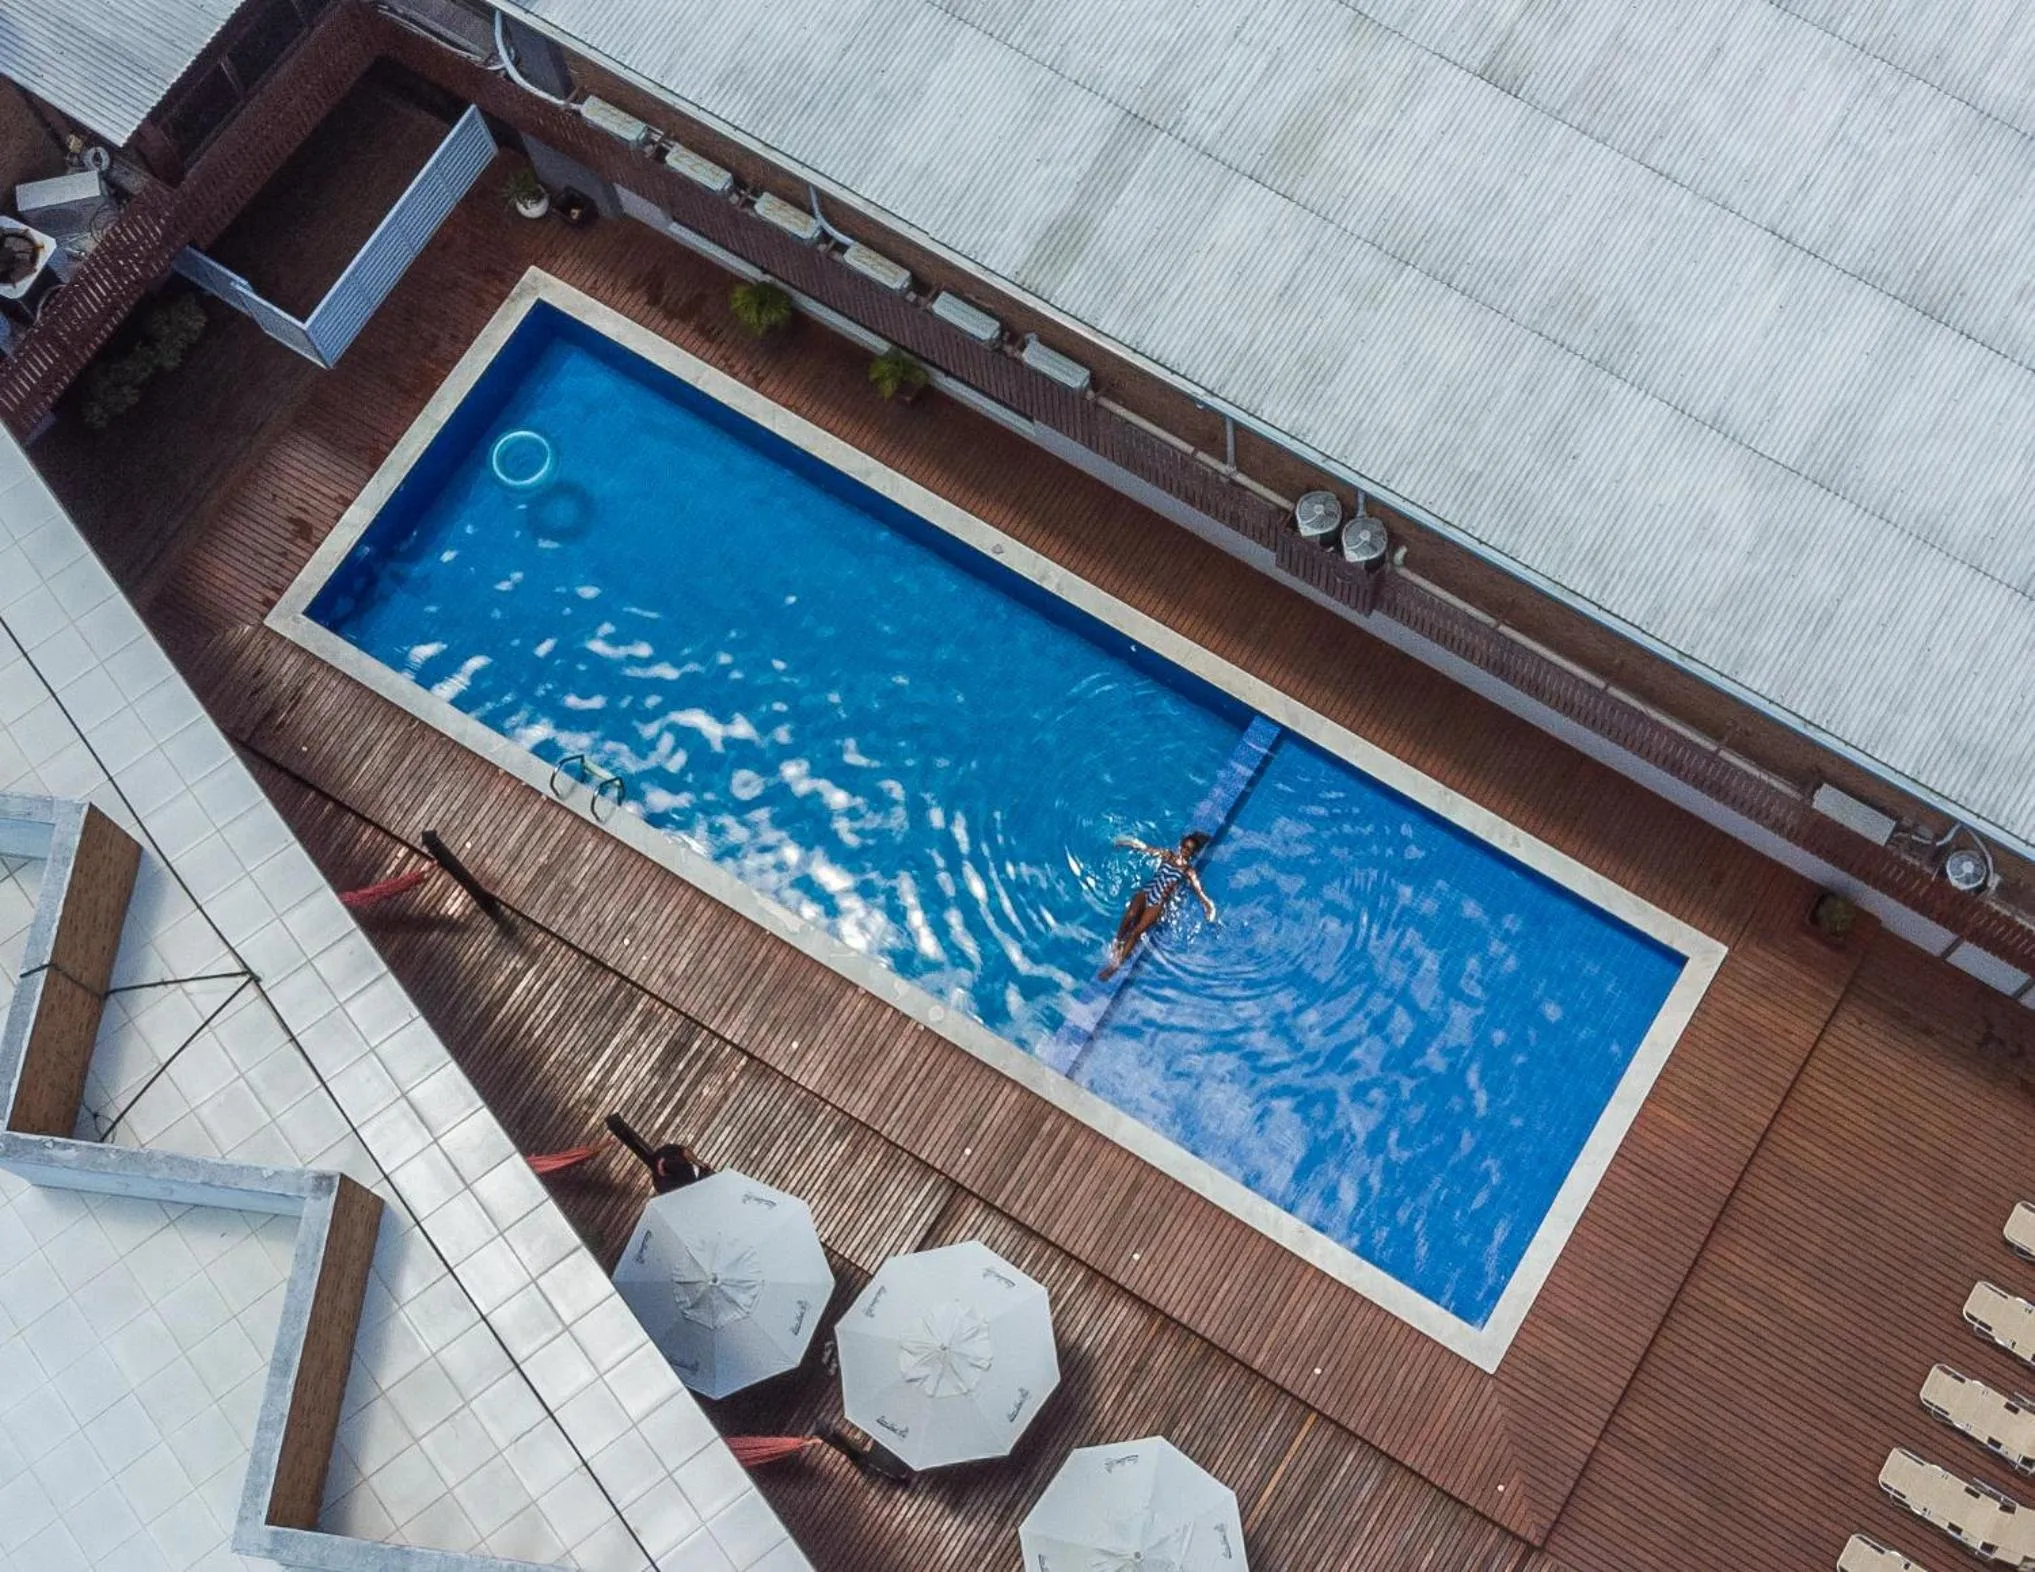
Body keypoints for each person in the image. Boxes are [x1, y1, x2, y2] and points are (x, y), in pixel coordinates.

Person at [1100, 831, 1217, 980]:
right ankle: (1117, 942)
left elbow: (1199, 891)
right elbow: (1144, 849)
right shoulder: (1167, 855)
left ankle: (1114, 967)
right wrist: (1125, 843)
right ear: (1181, 845)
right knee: (1130, 915)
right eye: (1184, 846)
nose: (1185, 850)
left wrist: (1208, 906)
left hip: (1158, 902)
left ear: (1193, 853)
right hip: (1147, 892)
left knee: (1136, 932)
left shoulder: (1189, 871)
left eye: (1189, 849)